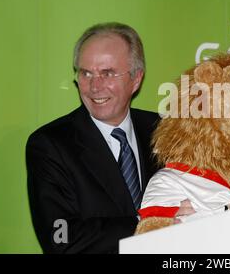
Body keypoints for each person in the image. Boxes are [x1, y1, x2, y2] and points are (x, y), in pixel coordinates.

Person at [26, 22, 160, 253]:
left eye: (107, 73)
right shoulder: (51, 144)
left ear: (136, 79)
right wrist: (150, 224)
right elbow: (60, 237)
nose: (94, 86)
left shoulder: (165, 131)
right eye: (86, 73)